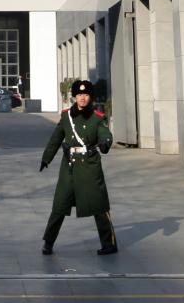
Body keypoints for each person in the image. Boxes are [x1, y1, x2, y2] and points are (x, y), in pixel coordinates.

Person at [38, 78, 117, 256]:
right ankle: (48, 242)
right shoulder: (66, 116)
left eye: (86, 94)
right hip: (70, 168)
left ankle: (109, 243)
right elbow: (56, 138)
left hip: (90, 166)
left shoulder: (97, 118)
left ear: (90, 97)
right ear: (75, 96)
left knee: (99, 205)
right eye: (80, 94)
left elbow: (105, 134)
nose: (83, 98)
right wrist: (46, 158)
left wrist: (106, 142)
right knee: (59, 206)